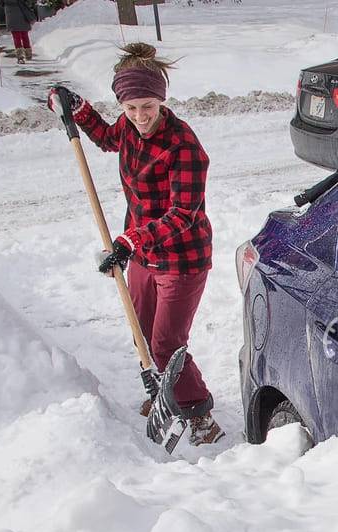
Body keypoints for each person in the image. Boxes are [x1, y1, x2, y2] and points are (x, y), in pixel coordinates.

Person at [47, 43, 225, 446]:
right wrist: (78, 109)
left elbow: (184, 213)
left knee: (166, 343)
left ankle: (199, 415)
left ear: (161, 100)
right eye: (131, 108)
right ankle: (165, 394)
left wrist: (130, 239)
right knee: (142, 334)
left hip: (182, 257)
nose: (140, 117)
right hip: (143, 251)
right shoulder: (128, 128)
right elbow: (107, 138)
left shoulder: (184, 146)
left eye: (148, 106)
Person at [0, 0, 39, 64]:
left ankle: (20, 57)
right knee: (24, 35)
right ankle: (28, 54)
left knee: (16, 36)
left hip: (11, 13)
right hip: (22, 11)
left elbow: (0, 2)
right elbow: (29, 2)